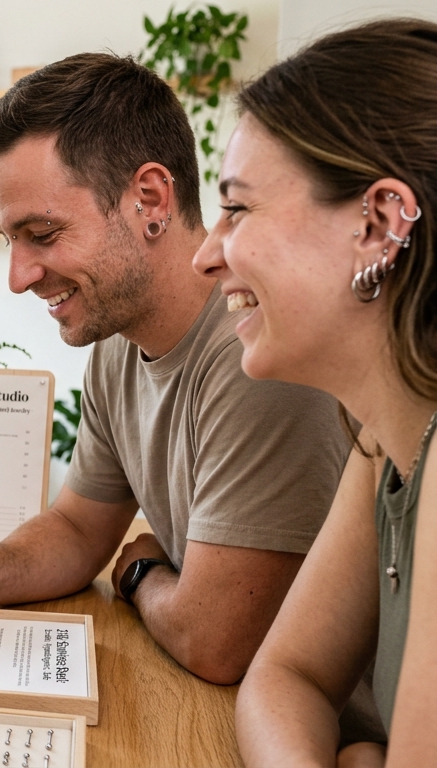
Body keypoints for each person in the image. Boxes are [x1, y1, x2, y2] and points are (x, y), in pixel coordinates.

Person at [0, 53, 351, 686]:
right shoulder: (117, 341)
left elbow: (217, 641)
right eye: (10, 240)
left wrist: (140, 574)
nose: (18, 276)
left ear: (150, 199)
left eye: (43, 234)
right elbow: (80, 528)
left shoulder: (257, 352)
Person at [192, 19, 437, 767]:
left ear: (381, 224)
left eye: (237, 208)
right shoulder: (384, 441)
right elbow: (285, 677)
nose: (207, 253)